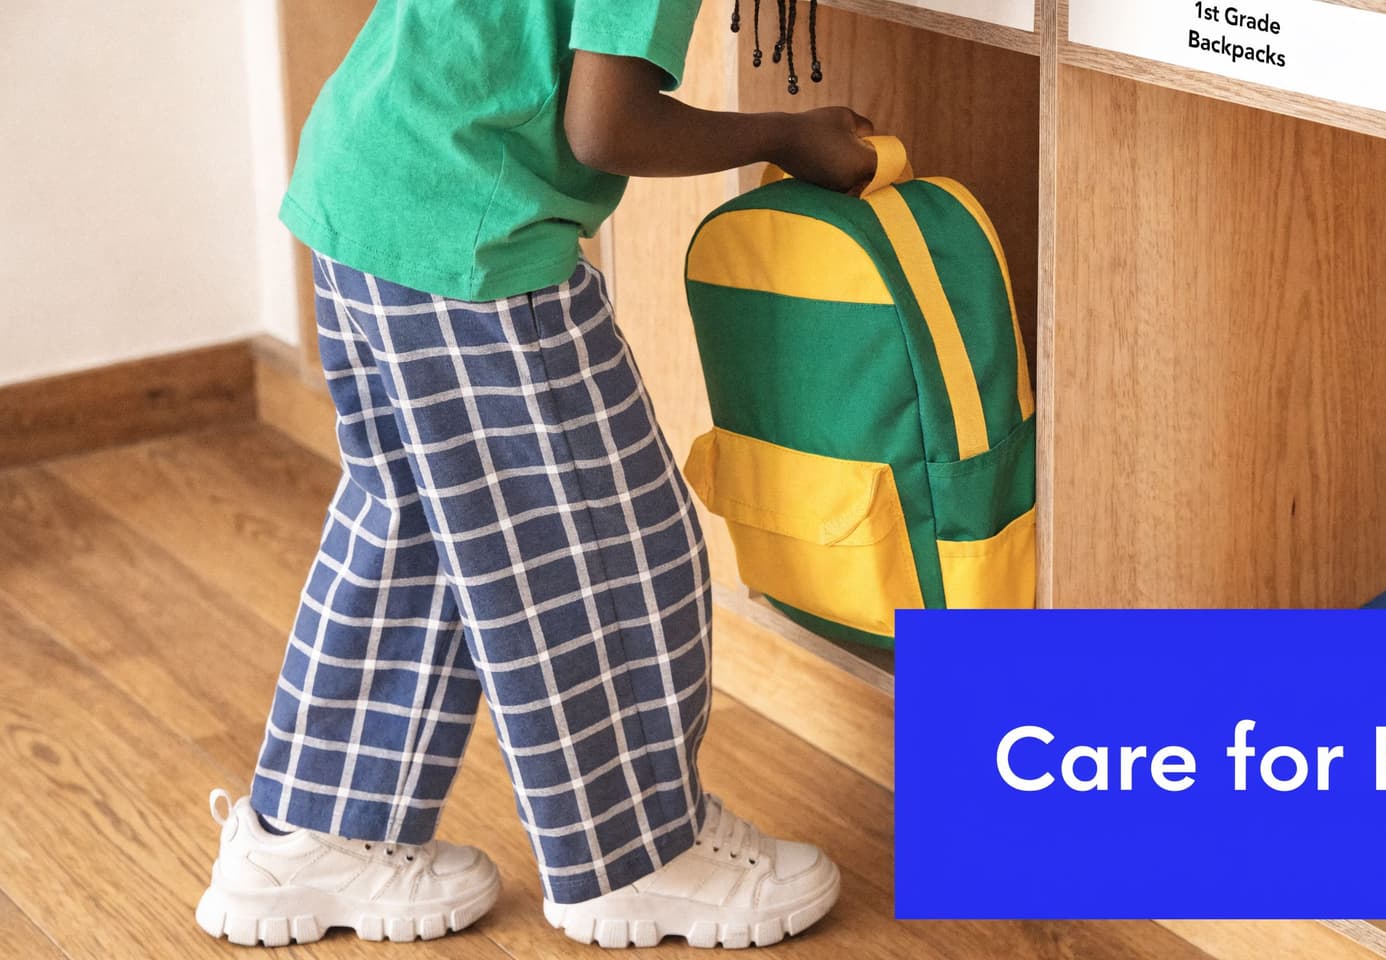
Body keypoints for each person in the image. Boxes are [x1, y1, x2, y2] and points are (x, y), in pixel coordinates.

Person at [193, 0, 876, 949]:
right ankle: (635, 859)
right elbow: (607, 127)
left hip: (369, 183)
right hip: (468, 234)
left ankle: (311, 835)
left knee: (422, 533)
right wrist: (786, 135)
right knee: (609, 549)